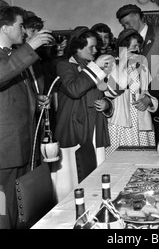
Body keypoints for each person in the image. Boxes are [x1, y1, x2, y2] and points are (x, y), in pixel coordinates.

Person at [0, 6, 55, 229]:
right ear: (4, 28)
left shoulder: (11, 55)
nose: (24, 30)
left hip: (22, 143)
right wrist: (31, 46)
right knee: (4, 209)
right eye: (20, 25)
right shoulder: (13, 56)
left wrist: (36, 98)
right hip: (5, 148)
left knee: (20, 205)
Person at [51, 26, 115, 202]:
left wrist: (107, 104)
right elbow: (74, 89)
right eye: (91, 47)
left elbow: (106, 93)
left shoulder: (94, 67)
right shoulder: (64, 65)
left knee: (96, 176)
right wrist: (95, 67)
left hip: (94, 127)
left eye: (96, 47)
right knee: (72, 179)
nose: (95, 51)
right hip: (74, 127)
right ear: (78, 48)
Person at [116, 4, 159, 142]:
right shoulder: (124, 42)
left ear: (137, 16)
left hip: (158, 98)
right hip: (130, 107)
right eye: (124, 25)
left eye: (127, 23)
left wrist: (152, 95)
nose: (126, 27)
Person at [105, 28, 158, 156]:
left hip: (141, 118)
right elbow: (110, 92)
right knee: (121, 161)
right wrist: (122, 63)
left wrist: (148, 100)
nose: (137, 49)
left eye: (139, 46)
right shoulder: (110, 62)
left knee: (143, 160)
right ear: (124, 46)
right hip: (120, 120)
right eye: (134, 46)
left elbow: (148, 90)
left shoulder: (142, 61)